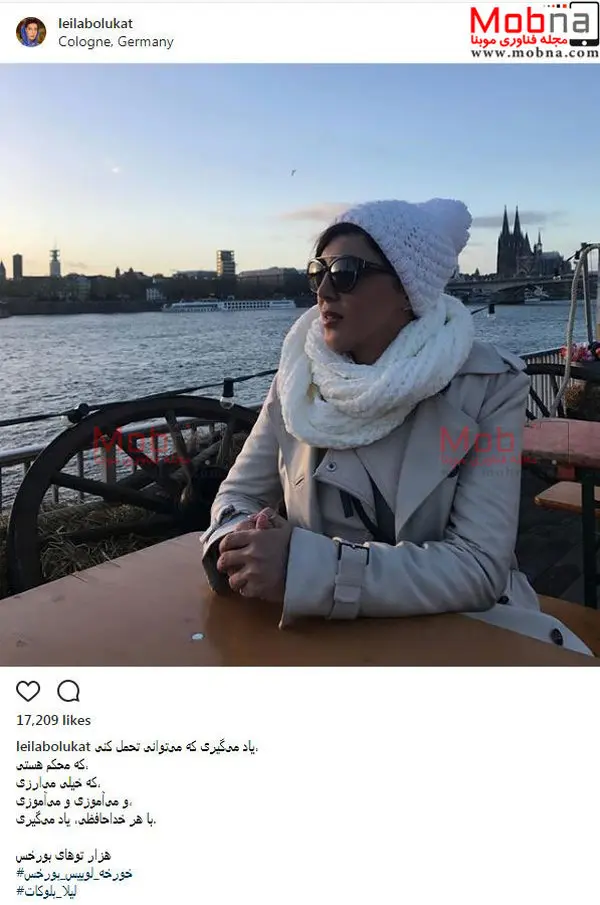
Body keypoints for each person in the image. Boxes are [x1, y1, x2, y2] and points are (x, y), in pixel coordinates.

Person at [200, 198, 591, 655]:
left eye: (345, 272)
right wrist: (240, 544)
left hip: (461, 638)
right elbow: (237, 498)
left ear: (407, 290)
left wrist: (302, 568)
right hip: (318, 640)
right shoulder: (296, 377)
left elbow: (480, 566)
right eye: (316, 272)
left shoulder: (491, 388)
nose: (323, 290)